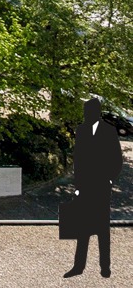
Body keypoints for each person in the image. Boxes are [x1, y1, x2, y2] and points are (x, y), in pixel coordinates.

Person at [67, 97, 123, 278]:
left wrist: (109, 179)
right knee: (82, 228)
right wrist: (77, 185)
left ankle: (105, 267)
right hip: (85, 187)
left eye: (87, 111)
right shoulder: (82, 130)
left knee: (102, 230)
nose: (85, 115)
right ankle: (78, 266)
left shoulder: (109, 131)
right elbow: (78, 159)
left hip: (101, 186)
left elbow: (117, 159)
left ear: (96, 112)